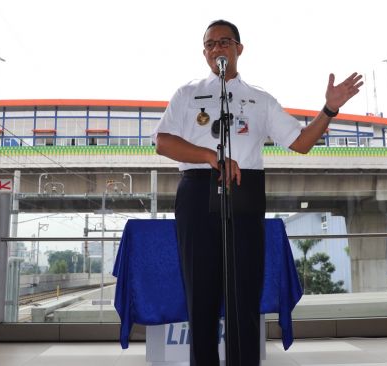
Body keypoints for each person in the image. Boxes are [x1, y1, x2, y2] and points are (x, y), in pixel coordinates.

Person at [153, 19, 362, 366]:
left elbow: (302, 143)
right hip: (196, 191)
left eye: (224, 42)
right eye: (210, 45)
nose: (217, 49)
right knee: (201, 297)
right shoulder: (187, 94)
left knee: (243, 296)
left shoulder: (260, 99)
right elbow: (163, 142)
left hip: (244, 191)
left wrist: (329, 109)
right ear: (204, 53)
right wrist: (210, 156)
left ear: (239, 48)